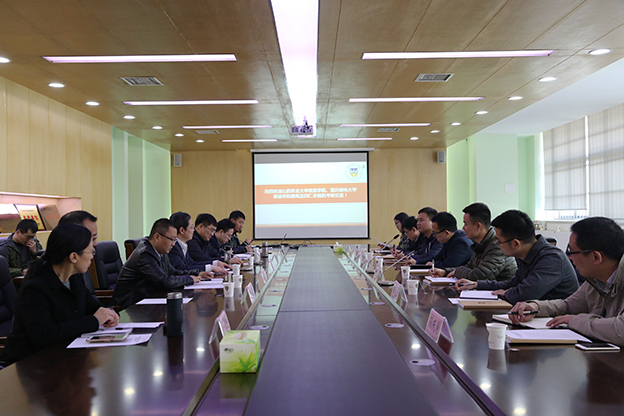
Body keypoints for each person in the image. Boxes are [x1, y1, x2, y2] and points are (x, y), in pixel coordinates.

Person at [1, 223, 119, 365]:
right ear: (74, 257)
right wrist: (94, 321)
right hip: (31, 364)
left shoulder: (74, 277)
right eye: (91, 252)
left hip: (64, 356)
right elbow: (44, 335)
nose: (92, 257)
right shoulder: (36, 287)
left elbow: (93, 306)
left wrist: (109, 313)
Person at [509, 217, 624, 346]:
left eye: (571, 251)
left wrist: (575, 321)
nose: (568, 257)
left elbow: (621, 330)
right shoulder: (595, 279)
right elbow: (568, 306)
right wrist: (535, 307)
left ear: (596, 257)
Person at [455, 210, 578, 304]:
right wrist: (477, 285)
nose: (497, 244)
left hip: (558, 323)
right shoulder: (524, 254)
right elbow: (514, 283)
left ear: (515, 243)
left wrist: (508, 293)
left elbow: (526, 293)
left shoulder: (551, 258)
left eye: (499, 241)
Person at [113, 219, 209, 309]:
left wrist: (197, 273)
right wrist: (189, 279)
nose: (173, 244)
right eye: (172, 239)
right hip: (131, 305)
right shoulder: (144, 254)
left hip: (149, 299)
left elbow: (172, 272)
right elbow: (164, 281)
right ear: (157, 237)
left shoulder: (160, 250)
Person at [430, 203, 516, 280]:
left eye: (466, 224)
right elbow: (470, 267)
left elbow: (481, 275)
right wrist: (445, 271)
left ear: (478, 226)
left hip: (502, 294)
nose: (463, 228)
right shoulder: (480, 243)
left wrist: (456, 272)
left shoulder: (497, 244)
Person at [58, 210, 99, 293]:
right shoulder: (39, 286)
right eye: (92, 238)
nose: (95, 243)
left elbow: (91, 304)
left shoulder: (74, 273)